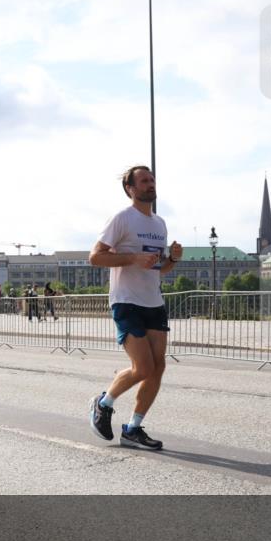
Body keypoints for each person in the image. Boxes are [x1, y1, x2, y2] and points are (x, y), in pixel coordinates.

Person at [89, 165, 182, 450]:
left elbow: (159, 269)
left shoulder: (160, 224)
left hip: (153, 301)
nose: (150, 184)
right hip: (126, 300)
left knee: (158, 367)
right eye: (144, 181)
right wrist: (131, 259)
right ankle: (103, 403)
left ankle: (133, 428)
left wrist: (174, 259)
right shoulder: (122, 218)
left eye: (152, 179)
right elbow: (95, 257)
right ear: (130, 188)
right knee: (142, 367)